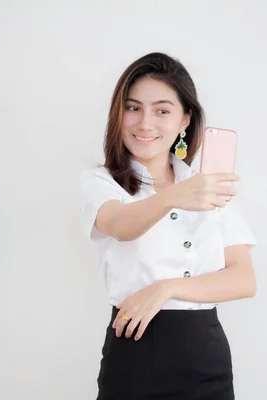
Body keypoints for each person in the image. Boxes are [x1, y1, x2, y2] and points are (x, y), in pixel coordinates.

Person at [80, 52, 257, 400]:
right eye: (133, 108)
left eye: (162, 110)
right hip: (135, 356)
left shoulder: (208, 186)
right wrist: (173, 196)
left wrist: (166, 288)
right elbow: (119, 225)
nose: (145, 123)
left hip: (207, 359)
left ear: (184, 120)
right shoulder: (101, 182)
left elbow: (244, 279)